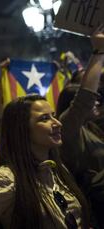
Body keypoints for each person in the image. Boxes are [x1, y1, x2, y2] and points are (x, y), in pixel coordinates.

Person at [0, 94, 89, 229]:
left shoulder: (57, 169)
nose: (57, 123)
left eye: (53, 115)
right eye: (44, 119)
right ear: (21, 128)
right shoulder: (6, 179)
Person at [57, 26, 104, 228]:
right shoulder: (68, 128)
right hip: (93, 214)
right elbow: (85, 98)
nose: (97, 100)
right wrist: (98, 52)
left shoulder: (94, 128)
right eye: (93, 97)